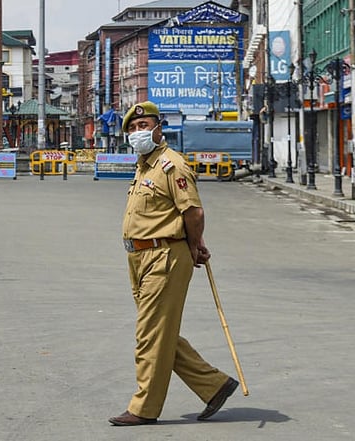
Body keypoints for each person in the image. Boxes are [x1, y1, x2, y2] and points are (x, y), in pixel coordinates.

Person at [109, 101, 238, 426]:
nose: (138, 132)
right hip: (139, 256)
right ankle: (214, 385)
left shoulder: (171, 166)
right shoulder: (144, 166)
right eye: (133, 128)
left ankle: (144, 408)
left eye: (144, 126)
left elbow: (193, 212)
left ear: (158, 128)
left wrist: (195, 245)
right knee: (158, 331)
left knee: (149, 334)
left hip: (164, 255)